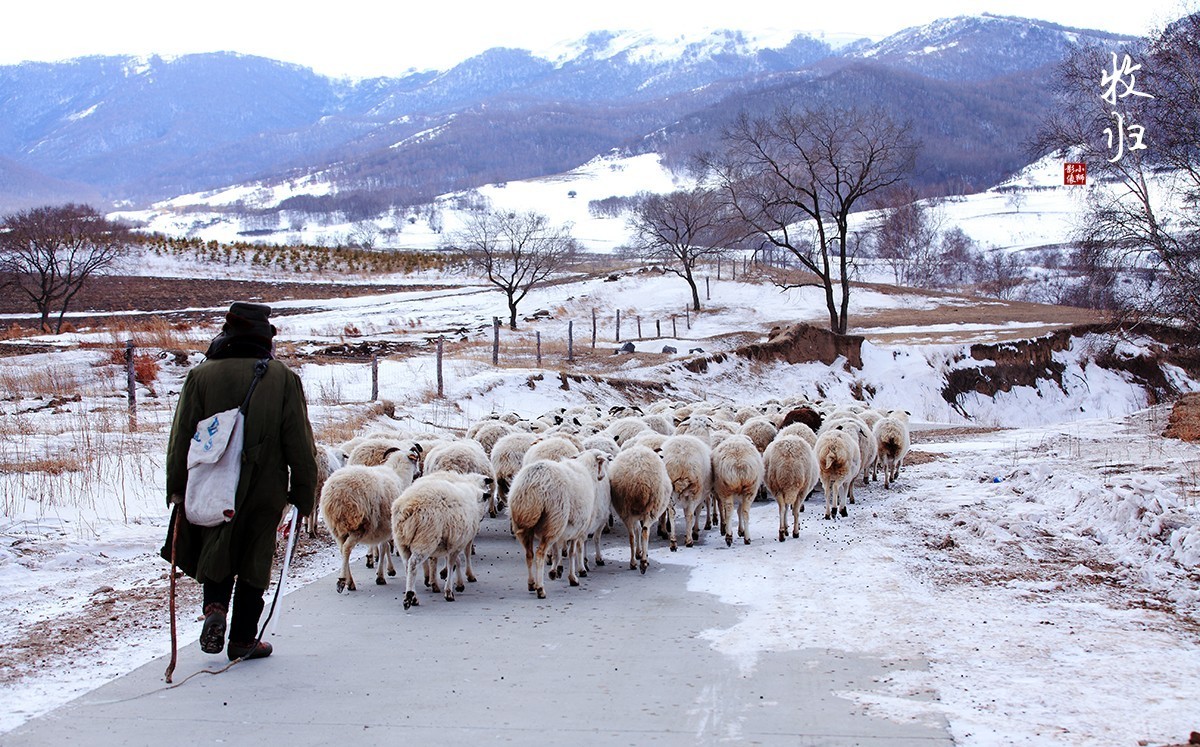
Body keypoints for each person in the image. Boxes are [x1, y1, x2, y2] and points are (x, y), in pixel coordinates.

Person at [163, 302, 317, 661]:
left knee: (217, 543)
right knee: (255, 556)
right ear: (265, 338)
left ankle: (215, 607)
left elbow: (181, 435)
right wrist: (303, 493)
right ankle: (244, 639)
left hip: (210, 480)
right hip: (265, 486)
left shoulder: (200, 376)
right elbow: (299, 441)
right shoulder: (282, 378)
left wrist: (176, 487)